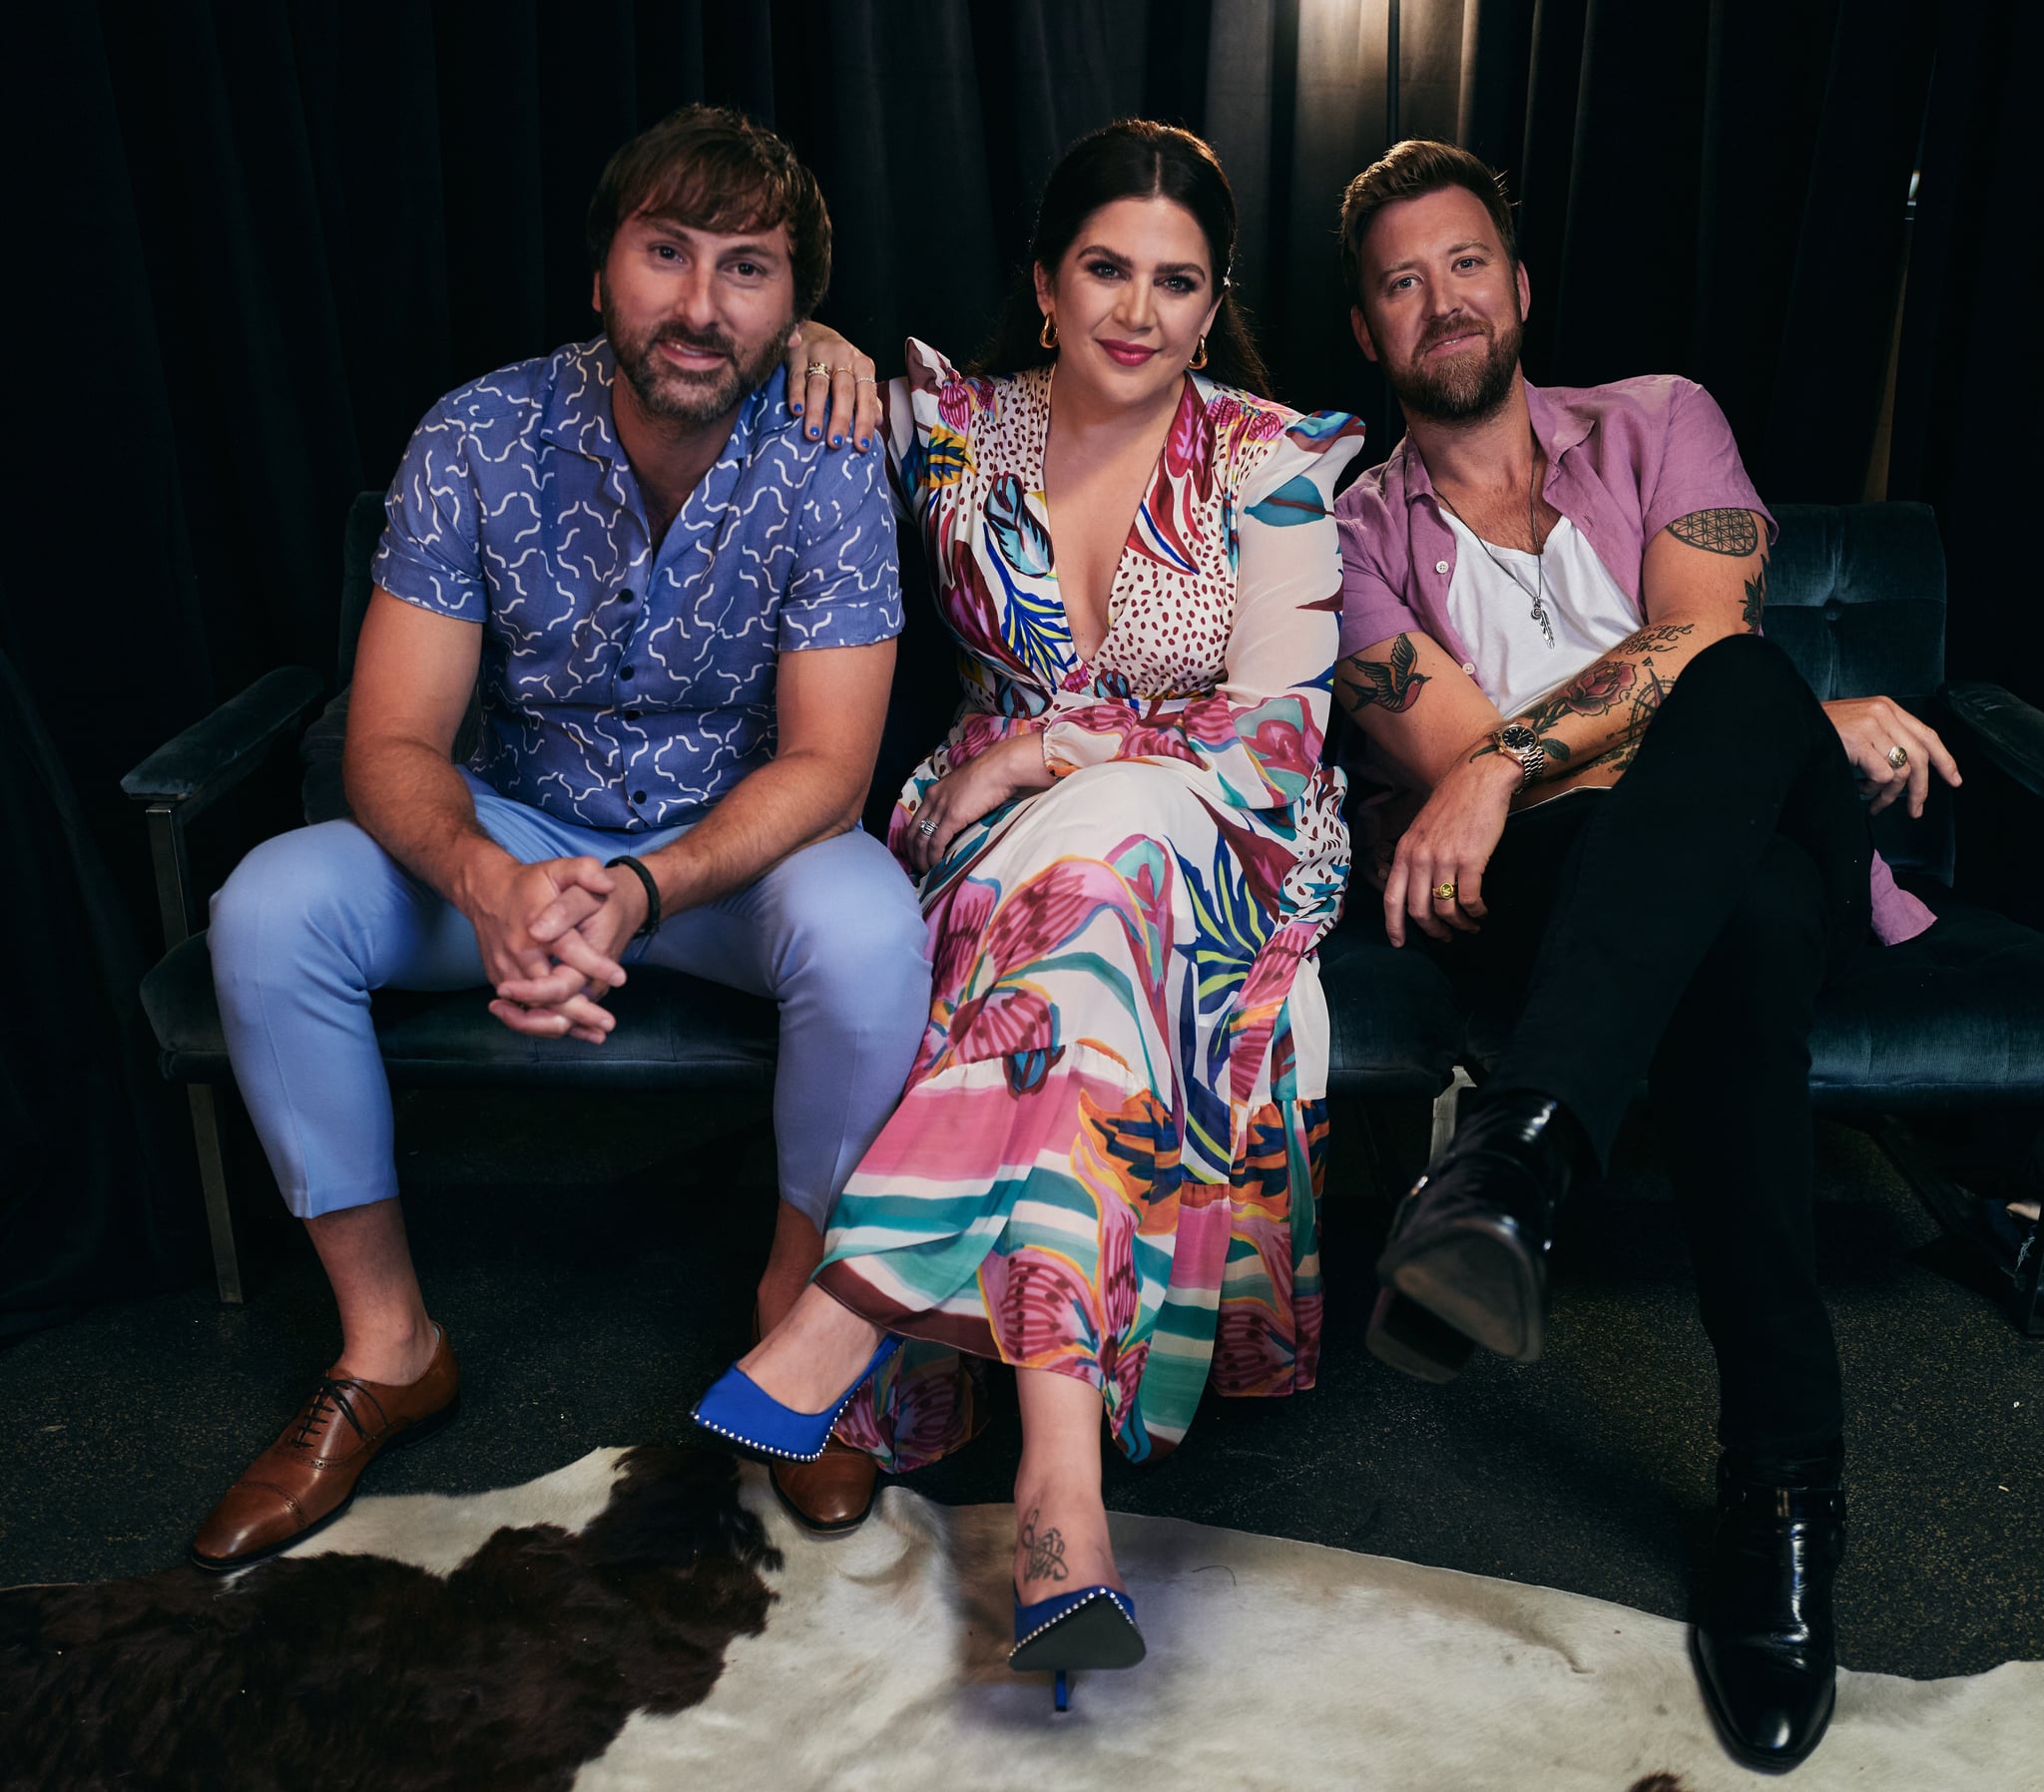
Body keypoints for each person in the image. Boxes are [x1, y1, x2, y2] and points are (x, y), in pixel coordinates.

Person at [192, 105, 927, 1567]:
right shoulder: (477, 433)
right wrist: (491, 880)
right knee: (269, 906)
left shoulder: (832, 453)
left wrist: (647, 889)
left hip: (728, 855)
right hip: (513, 834)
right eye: (666, 252)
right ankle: (390, 1345)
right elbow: (389, 740)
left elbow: (831, 769)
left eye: (749, 268)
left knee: (869, 928)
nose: (701, 304)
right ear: (603, 269)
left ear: (797, 306)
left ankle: (805, 1337)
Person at [692, 118, 1364, 1703]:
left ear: (1216, 306)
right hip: (994, 831)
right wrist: (825, 340)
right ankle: (1066, 1498)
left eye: (1177, 283)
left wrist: (1072, 755)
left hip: (1225, 834)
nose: (1140, 310)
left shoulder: (1268, 456)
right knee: (1071, 919)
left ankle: (863, 1303)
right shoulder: (953, 429)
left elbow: (1283, 727)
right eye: (1107, 269)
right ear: (1047, 284)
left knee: (1114, 848)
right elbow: (749, 330)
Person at [1329, 140, 1960, 1772]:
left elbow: (1705, 645)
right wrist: (1557, 756)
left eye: (1464, 263)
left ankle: (1518, 1152)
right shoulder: (1354, 539)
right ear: (1367, 328)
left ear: (1520, 288)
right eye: (1401, 281)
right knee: (1728, 913)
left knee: (1742, 695)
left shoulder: (1661, 418)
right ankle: (1784, 1483)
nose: (1440, 301)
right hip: (1575, 890)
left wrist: (1496, 760)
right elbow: (1579, 734)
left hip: (1758, 840)